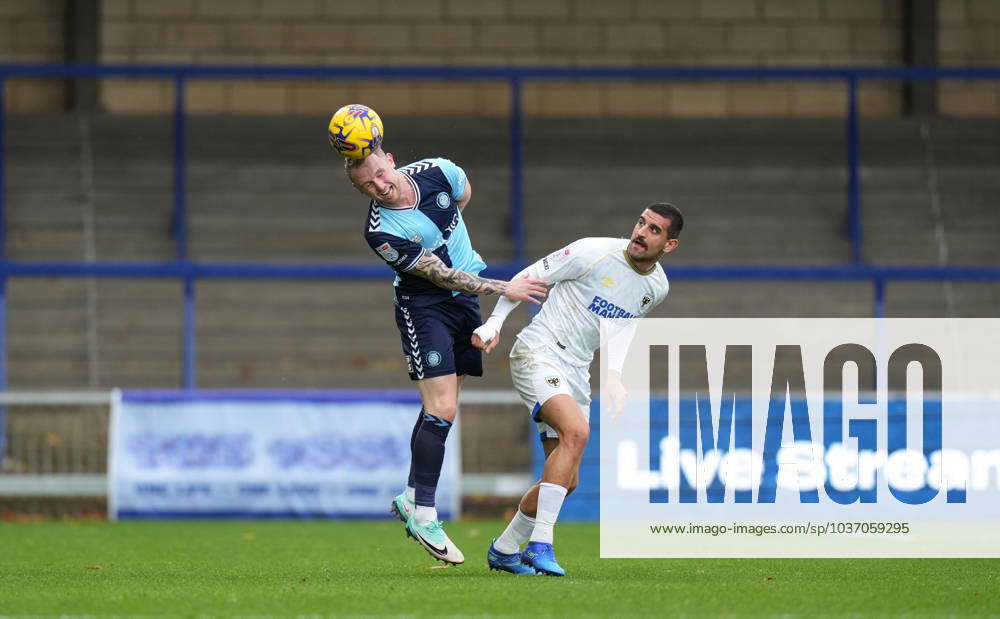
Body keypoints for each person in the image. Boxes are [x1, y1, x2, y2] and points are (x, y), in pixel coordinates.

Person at [345, 148, 547, 565]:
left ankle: (410, 496)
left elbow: (462, 195)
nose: (380, 186)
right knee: (443, 407)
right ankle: (424, 515)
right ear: (358, 188)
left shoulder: (439, 170)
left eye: (381, 174)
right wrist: (500, 288)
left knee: (444, 407)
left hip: (463, 305)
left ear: (391, 158)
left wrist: (484, 314)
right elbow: (439, 274)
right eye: (367, 184)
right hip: (425, 307)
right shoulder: (380, 230)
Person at [471, 203, 683, 576]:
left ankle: (504, 549)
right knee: (578, 432)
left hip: (576, 370)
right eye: (641, 222)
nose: (641, 232)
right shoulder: (592, 251)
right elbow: (526, 278)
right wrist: (494, 324)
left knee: (566, 481)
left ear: (669, 245)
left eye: (654, 230)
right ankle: (540, 545)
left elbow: (623, 325)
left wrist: (615, 374)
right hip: (539, 351)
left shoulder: (657, 287)